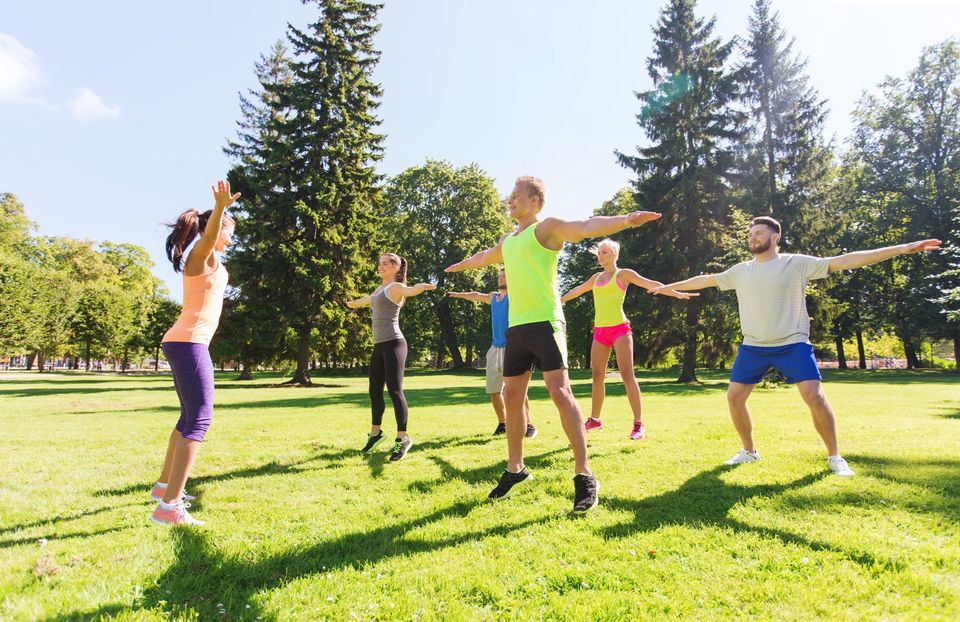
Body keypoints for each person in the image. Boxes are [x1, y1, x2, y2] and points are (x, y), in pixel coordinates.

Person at [652, 216, 941, 476]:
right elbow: (706, 279)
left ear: (775, 237)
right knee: (734, 397)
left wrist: (902, 248)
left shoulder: (796, 263)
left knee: (814, 396)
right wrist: (668, 287)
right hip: (753, 346)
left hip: (793, 343)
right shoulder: (741, 271)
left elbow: (848, 259)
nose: (753, 238)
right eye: (751, 234)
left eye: (759, 233)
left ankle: (835, 457)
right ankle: (749, 452)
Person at [446, 175, 661, 512]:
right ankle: (515, 468)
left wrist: (626, 220)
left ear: (535, 202)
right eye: (511, 194)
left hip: (546, 322)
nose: (510, 199)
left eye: (517, 195)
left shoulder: (546, 229)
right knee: (511, 396)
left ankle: (585, 473)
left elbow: (587, 226)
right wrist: (463, 265)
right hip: (517, 327)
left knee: (560, 393)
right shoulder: (509, 240)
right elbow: (486, 256)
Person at [151, 179, 239, 526]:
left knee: (188, 418)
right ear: (213, 230)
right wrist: (220, 209)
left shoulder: (210, 258)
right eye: (229, 231)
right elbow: (210, 236)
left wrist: (219, 214)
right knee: (199, 419)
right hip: (189, 342)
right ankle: (169, 507)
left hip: (185, 341)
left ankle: (163, 489)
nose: (231, 237)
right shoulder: (200, 256)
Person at [560, 239, 696, 439]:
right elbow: (578, 290)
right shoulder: (596, 277)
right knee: (597, 375)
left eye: (605, 252)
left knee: (627, 375)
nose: (601, 256)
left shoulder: (623, 274)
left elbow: (651, 284)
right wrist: (559, 300)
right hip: (600, 331)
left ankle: (638, 424)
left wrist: (674, 293)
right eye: (599, 253)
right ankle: (595, 419)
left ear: (614, 254)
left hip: (620, 330)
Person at [347, 253, 436, 461]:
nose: (381, 266)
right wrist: (351, 303)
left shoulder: (395, 287)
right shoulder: (379, 289)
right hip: (379, 346)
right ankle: (376, 434)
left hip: (394, 344)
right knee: (374, 391)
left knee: (395, 391)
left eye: (385, 263)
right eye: (380, 263)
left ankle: (402, 439)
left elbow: (409, 290)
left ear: (396, 267)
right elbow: (367, 300)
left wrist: (420, 287)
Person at [448, 267, 537, 438]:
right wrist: (459, 294)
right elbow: (476, 295)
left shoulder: (515, 297)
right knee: (494, 390)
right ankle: (503, 423)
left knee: (516, 390)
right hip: (494, 349)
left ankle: (529, 425)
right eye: (500, 276)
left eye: (505, 276)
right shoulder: (494, 297)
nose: (501, 279)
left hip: (512, 348)